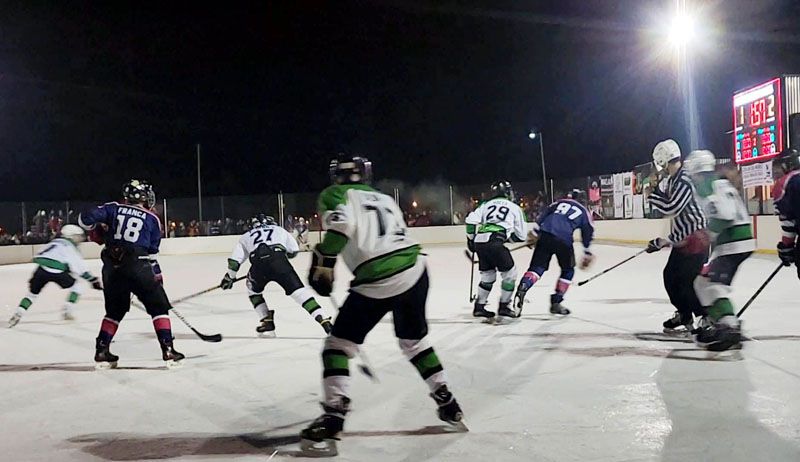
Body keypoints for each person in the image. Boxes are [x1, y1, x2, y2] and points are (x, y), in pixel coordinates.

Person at [299, 154, 464, 456]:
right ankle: (447, 400)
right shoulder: (382, 197)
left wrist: (324, 260)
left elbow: (342, 227)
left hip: (379, 277)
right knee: (414, 342)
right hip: (416, 269)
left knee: (337, 346)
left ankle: (334, 414)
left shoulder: (334, 193)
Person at [79, 179, 183, 368]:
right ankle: (168, 349)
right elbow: (152, 254)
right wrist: (157, 277)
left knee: (114, 311)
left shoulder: (113, 208)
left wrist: (97, 229)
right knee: (159, 308)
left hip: (111, 268)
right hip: (139, 266)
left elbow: (86, 218)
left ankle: (101, 350)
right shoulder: (152, 218)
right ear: (142, 196)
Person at [683, 150, 753, 351]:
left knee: (712, 286)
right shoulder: (720, 182)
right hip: (738, 240)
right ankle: (723, 323)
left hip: (732, 242)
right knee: (703, 283)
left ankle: (729, 327)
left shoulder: (708, 185)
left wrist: (707, 235)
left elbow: (724, 213)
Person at [219, 214, 331, 336]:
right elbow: (294, 250)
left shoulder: (246, 236)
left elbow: (234, 262)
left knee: (253, 292)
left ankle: (266, 319)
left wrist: (229, 277)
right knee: (299, 293)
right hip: (280, 263)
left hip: (258, 266)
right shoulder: (279, 230)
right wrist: (280, 257)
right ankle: (323, 319)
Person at [646, 139, 709, 333]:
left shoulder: (684, 179)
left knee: (686, 281)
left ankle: (705, 318)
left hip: (697, 240)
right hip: (685, 240)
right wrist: (663, 241)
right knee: (671, 277)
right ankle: (684, 313)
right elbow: (678, 215)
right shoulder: (674, 180)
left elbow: (672, 207)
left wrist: (651, 194)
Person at [514, 189, 595, 316]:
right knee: (568, 270)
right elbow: (588, 230)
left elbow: (543, 215)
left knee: (537, 268)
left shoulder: (557, 203)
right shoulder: (584, 211)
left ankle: (524, 285)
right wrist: (587, 251)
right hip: (564, 239)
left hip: (545, 236)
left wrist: (535, 232)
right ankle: (556, 302)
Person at [8, 225, 103, 327]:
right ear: (70, 236)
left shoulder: (54, 242)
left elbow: (39, 255)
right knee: (78, 286)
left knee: (32, 294)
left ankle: (18, 313)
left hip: (41, 269)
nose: (78, 239)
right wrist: (92, 280)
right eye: (76, 236)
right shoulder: (70, 247)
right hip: (57, 271)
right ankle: (67, 310)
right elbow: (80, 269)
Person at [464, 181, 528, 320]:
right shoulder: (514, 207)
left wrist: (471, 240)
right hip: (495, 240)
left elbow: (470, 221)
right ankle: (504, 306)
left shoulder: (485, 205)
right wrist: (508, 239)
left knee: (488, 276)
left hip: (480, 240)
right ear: (507, 192)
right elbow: (521, 235)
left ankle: (479, 307)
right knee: (510, 274)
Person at [772, 148, 800, 274]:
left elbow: (789, 222)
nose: (775, 172)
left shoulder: (784, 184)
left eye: (777, 167)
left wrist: (786, 247)